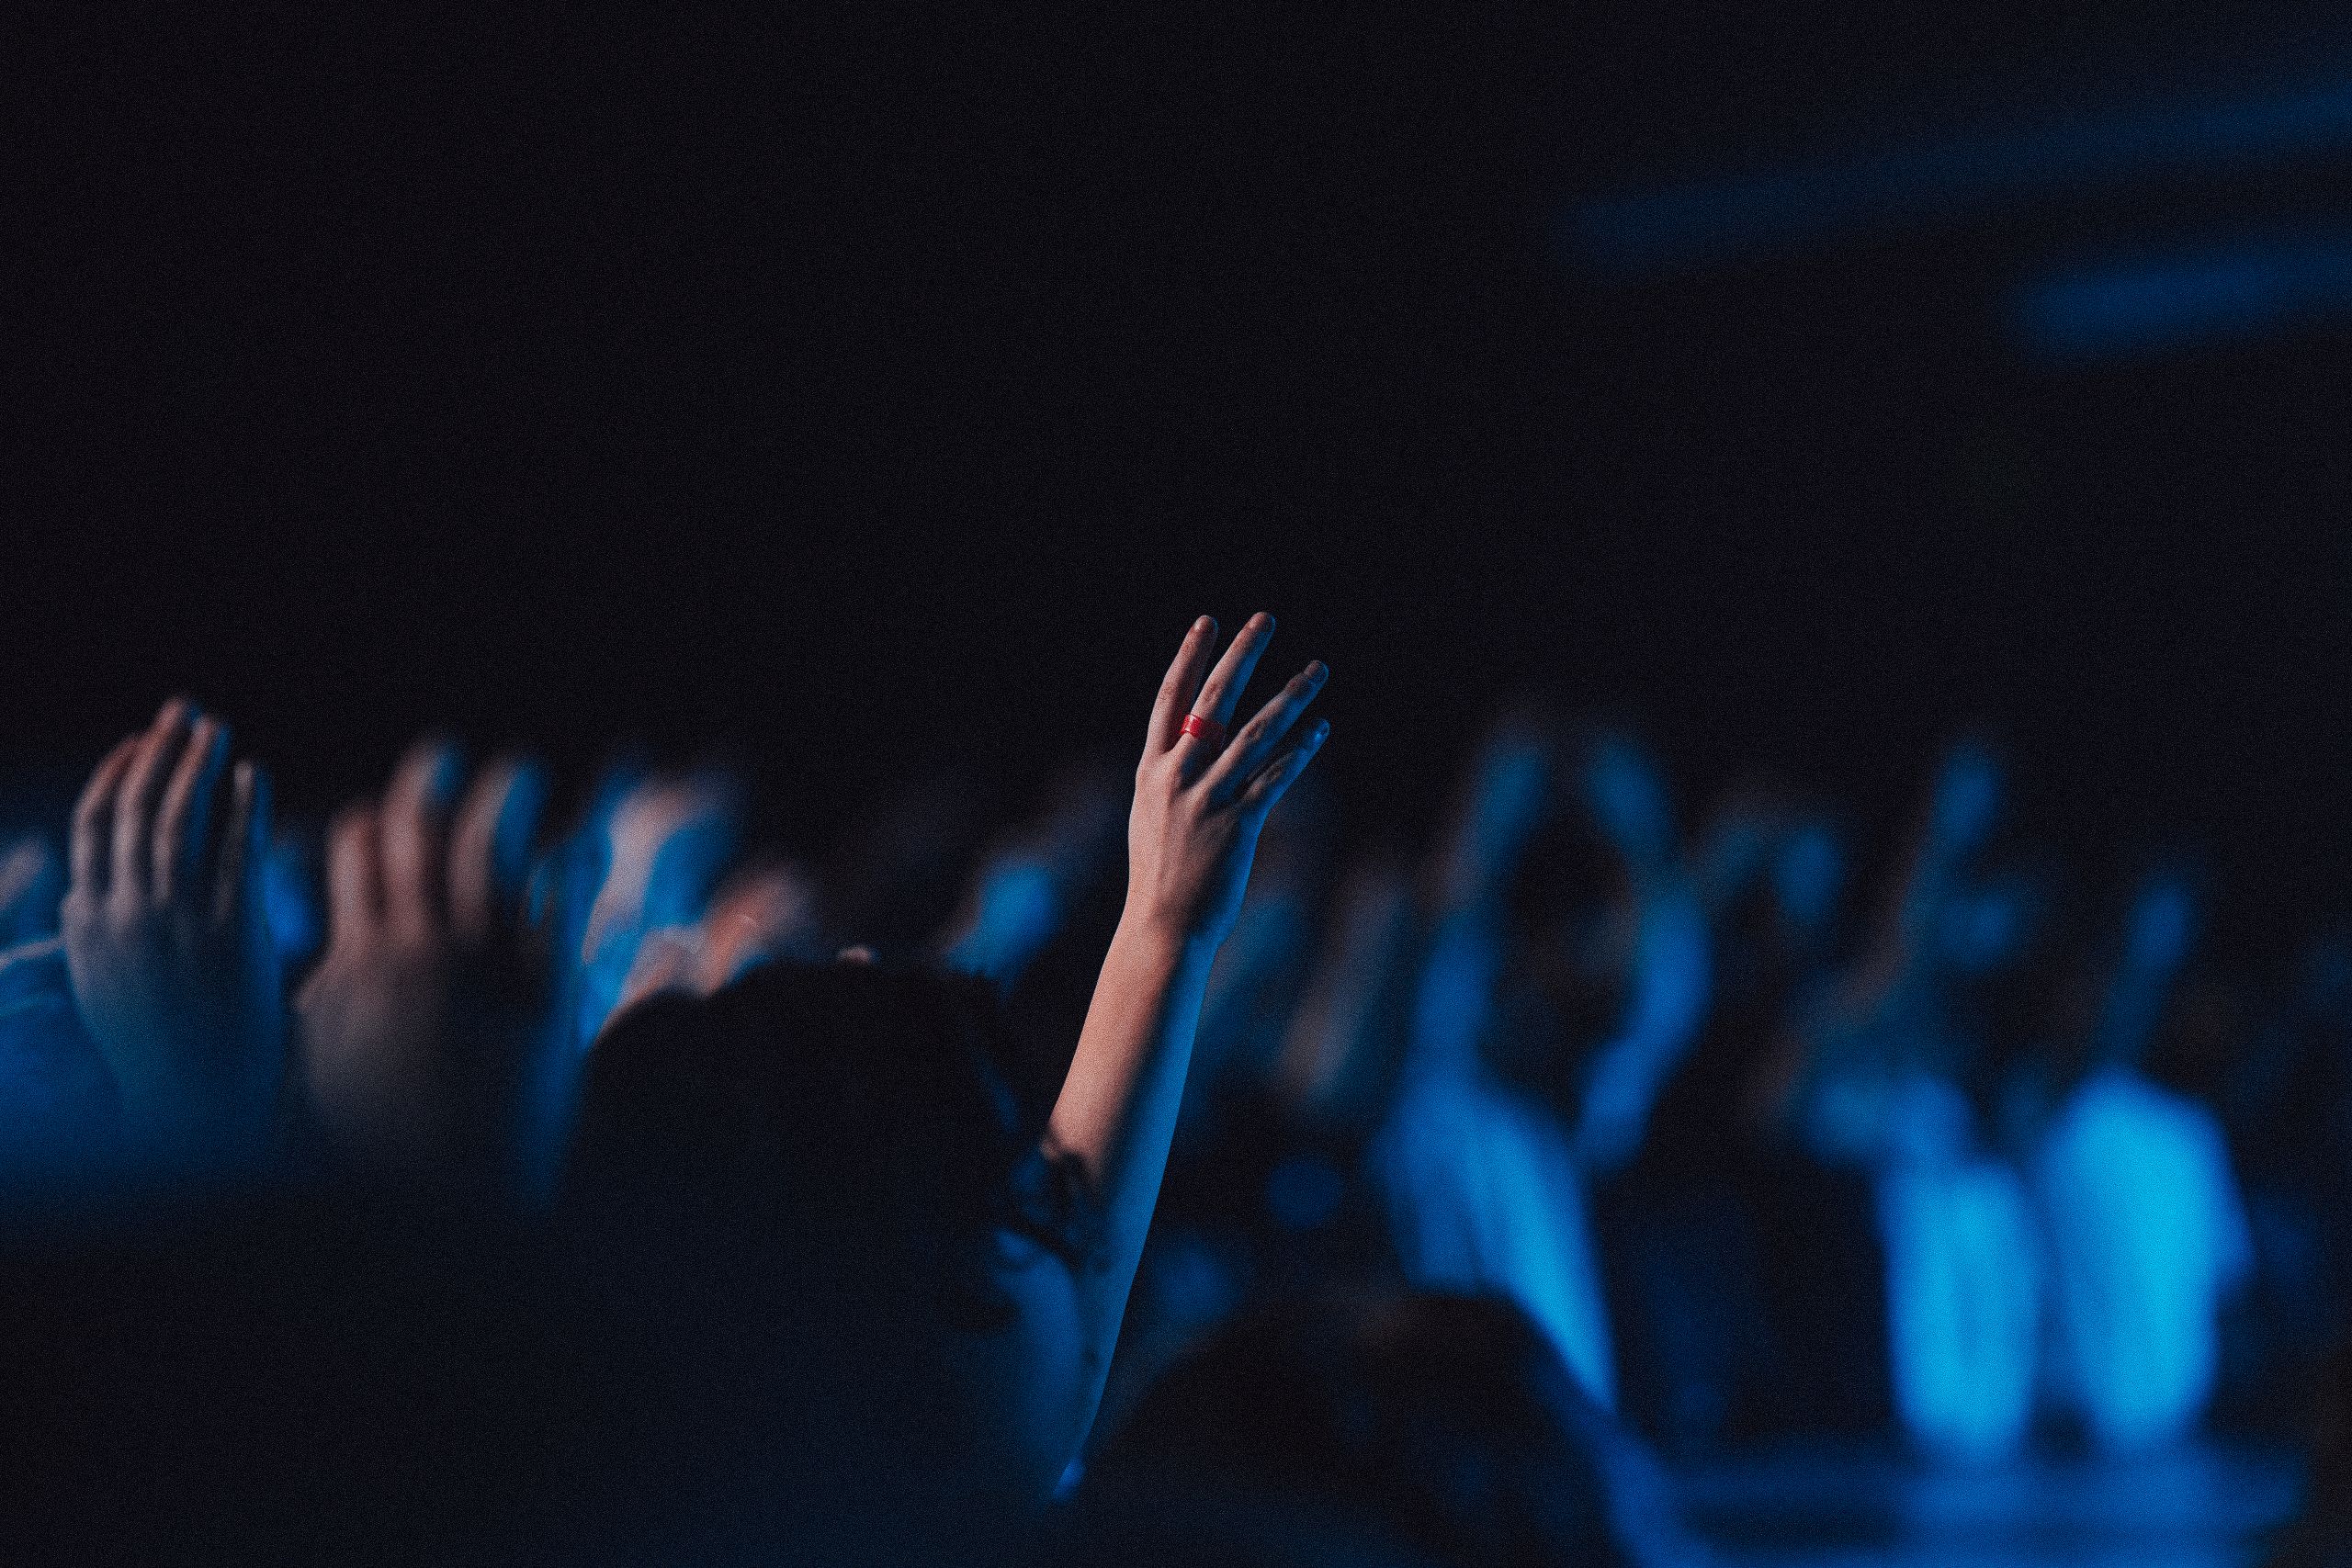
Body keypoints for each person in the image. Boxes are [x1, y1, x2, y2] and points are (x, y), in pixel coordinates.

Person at [560, 612, 1330, 1509]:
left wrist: (1165, 927)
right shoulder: (977, 1464)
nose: (852, 957)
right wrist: (1164, 929)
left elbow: (1075, 1277)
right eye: (1015, 1207)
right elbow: (1076, 1287)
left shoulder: (823, 1462)